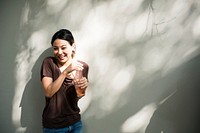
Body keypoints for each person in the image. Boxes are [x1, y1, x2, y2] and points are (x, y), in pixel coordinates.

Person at [40, 29, 89, 133]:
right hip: (54, 127)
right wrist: (65, 72)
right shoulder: (49, 63)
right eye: (55, 49)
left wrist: (83, 88)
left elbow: (78, 96)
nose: (60, 52)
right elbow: (49, 93)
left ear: (73, 46)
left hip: (75, 123)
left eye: (63, 48)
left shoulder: (82, 67)